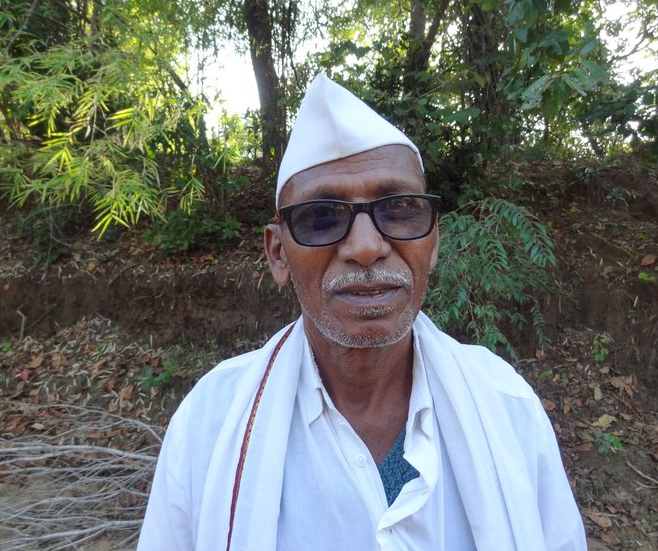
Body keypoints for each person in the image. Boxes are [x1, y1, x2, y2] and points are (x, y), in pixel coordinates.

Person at [137, 74, 587, 551]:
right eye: (321, 218)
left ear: (433, 242)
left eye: (399, 209)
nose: (367, 247)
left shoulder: (508, 409)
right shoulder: (210, 423)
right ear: (277, 255)